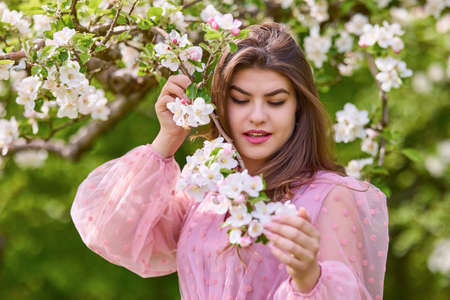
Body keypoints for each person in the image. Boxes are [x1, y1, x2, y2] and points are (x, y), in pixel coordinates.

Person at [71, 22, 389, 299]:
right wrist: (167, 138)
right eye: (240, 100)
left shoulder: (330, 197)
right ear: (221, 105)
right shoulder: (206, 192)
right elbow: (110, 232)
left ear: (298, 109)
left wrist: (308, 277)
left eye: (276, 102)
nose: (258, 117)